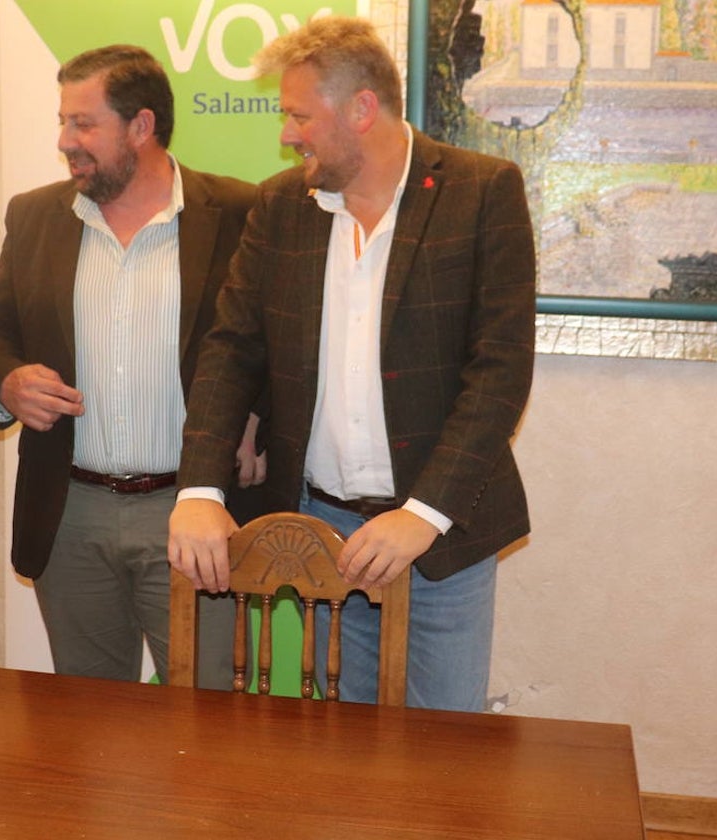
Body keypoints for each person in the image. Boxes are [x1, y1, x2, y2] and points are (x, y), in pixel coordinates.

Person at [168, 16, 536, 711]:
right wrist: (198, 491)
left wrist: (420, 515)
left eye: (299, 115)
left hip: (441, 538)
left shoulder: (482, 192)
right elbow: (231, 348)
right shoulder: (282, 205)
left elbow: (500, 372)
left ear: (362, 110)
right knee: (342, 753)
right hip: (320, 534)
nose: (286, 133)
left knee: (444, 746)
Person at [0, 45, 260, 686]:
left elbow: (273, 339)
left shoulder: (238, 212)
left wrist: (260, 416)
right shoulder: (36, 215)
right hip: (70, 511)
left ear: (141, 127)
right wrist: (8, 381)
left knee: (205, 716)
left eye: (83, 124)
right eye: (63, 122)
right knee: (86, 722)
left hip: (191, 510)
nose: (65, 141)